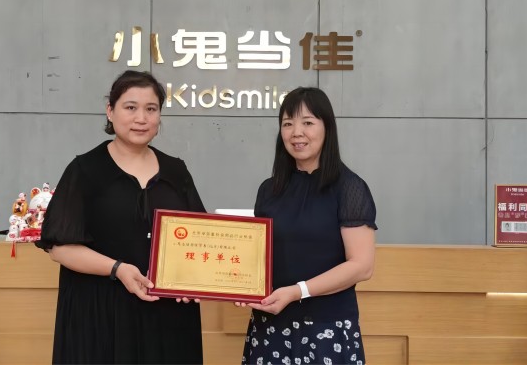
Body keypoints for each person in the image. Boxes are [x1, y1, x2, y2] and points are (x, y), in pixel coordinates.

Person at [36, 70, 205, 364]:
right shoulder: (85, 170)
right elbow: (59, 248)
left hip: (167, 316)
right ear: (110, 111)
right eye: (130, 107)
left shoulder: (176, 171)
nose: (141, 118)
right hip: (99, 313)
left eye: (151, 109)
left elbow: (200, 238)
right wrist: (117, 269)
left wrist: (194, 280)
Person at [239, 87, 377, 365]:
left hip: (327, 328)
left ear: (327, 128)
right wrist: (238, 285)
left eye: (308, 123)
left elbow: (362, 266)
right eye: (287, 124)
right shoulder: (269, 190)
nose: (296, 132)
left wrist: (297, 291)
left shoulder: (349, 187)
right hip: (271, 325)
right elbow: (259, 258)